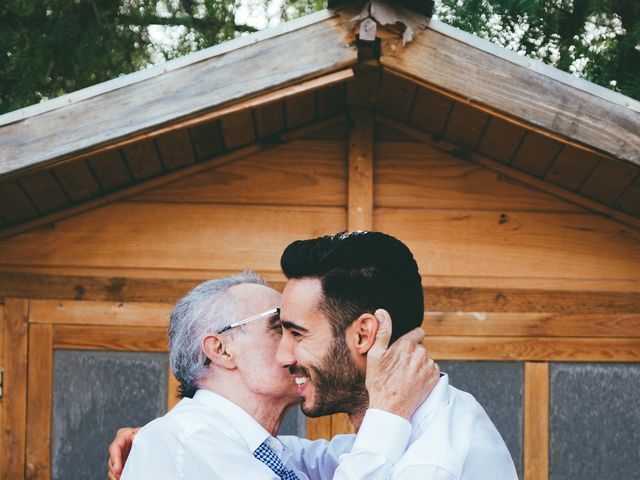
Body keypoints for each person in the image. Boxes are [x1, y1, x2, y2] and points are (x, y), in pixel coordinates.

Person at [111, 270, 440, 480]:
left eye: (296, 333)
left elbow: (366, 454)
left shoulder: (266, 451)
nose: (293, 349)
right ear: (221, 350)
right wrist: (388, 412)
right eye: (279, 329)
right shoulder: (187, 440)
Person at [276, 231, 518, 479]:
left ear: (363, 334)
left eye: (297, 334)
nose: (282, 356)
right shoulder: (427, 420)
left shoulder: (430, 467)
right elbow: (310, 459)